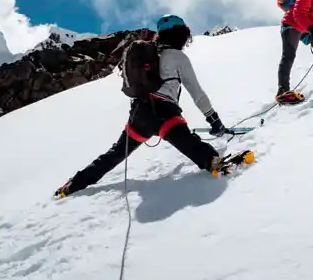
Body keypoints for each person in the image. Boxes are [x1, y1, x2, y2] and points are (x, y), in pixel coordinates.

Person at [54, 15, 231, 197]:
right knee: (191, 145)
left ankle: (74, 184)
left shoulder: (150, 53)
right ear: (181, 34)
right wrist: (214, 120)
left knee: (114, 154)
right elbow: (197, 93)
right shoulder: (178, 57)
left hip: (139, 115)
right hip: (165, 114)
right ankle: (217, 163)